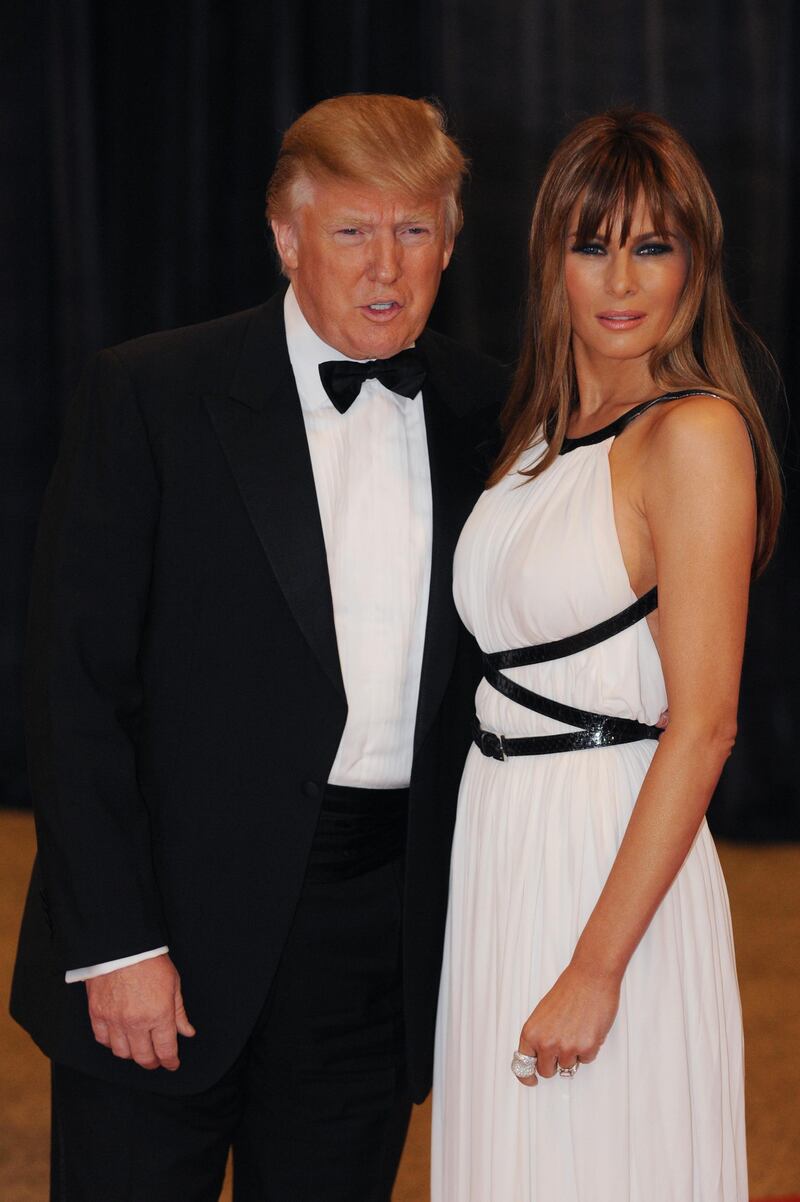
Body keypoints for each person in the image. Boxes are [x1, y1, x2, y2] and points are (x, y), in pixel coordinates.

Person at [11, 93, 507, 1201]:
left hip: (371, 948)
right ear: (286, 240)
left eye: (414, 229)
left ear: (449, 241)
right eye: (350, 230)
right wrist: (118, 942)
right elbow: (74, 687)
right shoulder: (151, 393)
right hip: (164, 932)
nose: (386, 265)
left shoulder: (490, 409)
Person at [432, 108, 782, 1202]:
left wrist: (594, 968)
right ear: (550, 260)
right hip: (497, 843)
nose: (619, 279)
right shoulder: (529, 436)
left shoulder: (694, 435)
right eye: (591, 244)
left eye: (650, 244)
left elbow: (706, 721)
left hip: (609, 854)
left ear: (693, 263)